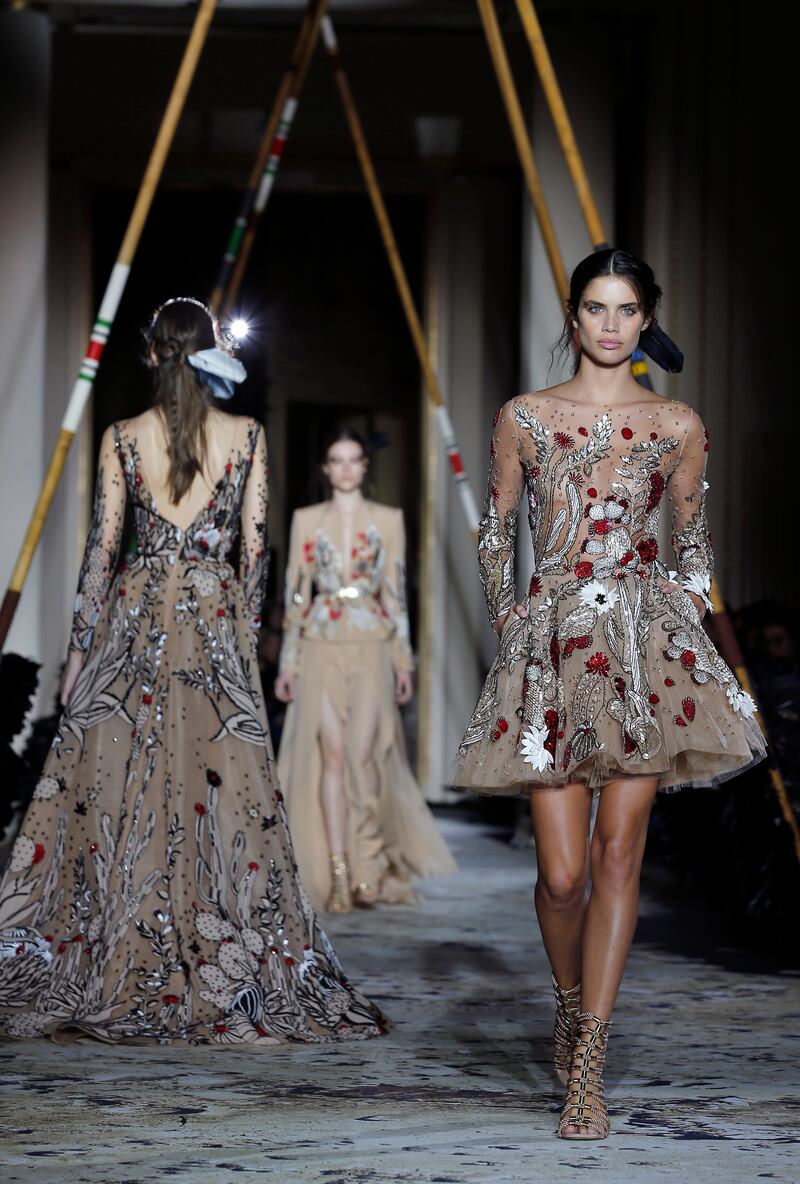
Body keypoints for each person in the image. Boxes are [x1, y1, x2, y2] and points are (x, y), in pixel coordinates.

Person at [0, 298, 386, 1045]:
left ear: (151, 354)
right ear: (210, 353)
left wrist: (81, 652)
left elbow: (102, 553)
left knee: (115, 786)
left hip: (136, 618)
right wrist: (241, 641)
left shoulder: (121, 437)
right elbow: (255, 552)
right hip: (210, 623)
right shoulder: (246, 436)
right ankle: (221, 948)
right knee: (222, 791)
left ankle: (112, 943)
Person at [454, 250, 766, 1139]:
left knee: (619, 856)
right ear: (575, 314)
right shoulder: (526, 416)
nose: (611, 324)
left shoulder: (676, 422)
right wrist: (512, 619)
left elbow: (692, 543)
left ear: (645, 320)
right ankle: (566, 999)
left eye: (628, 310)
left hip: (642, 651)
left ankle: (588, 1064)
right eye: (596, 307)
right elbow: (494, 528)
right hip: (551, 647)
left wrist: (701, 630)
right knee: (561, 875)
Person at [274, 429, 456, 913]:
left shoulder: (389, 520)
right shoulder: (306, 520)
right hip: (319, 643)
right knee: (332, 757)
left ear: (364, 467)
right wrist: (287, 662)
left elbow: (395, 593)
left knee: (364, 756)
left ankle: (369, 869)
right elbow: (296, 593)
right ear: (326, 469)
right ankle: (338, 877)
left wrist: (404, 661)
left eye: (354, 460)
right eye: (337, 460)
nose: (347, 468)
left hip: (373, 643)